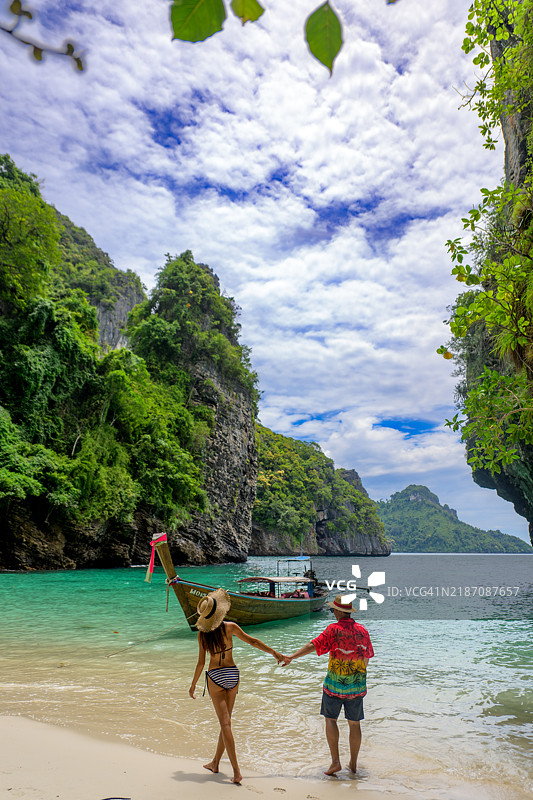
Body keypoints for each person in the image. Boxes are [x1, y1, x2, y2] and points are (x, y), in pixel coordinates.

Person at [189, 588, 286, 785]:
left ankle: (236, 770)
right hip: (232, 675)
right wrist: (274, 653)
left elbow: (201, 663)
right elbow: (253, 641)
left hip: (215, 676)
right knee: (226, 724)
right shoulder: (230, 627)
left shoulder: (202, 636)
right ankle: (215, 763)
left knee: (225, 724)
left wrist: (192, 686)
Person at [282, 594, 374, 776]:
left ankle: (335, 763)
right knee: (354, 724)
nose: (332, 613)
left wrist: (291, 657)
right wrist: (356, 675)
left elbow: (313, 645)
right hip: (356, 686)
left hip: (334, 685)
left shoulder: (333, 630)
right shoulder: (362, 631)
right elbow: (366, 658)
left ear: (340, 611)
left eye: (333, 610)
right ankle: (353, 765)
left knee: (331, 720)